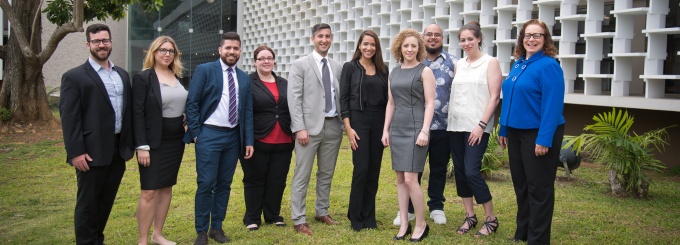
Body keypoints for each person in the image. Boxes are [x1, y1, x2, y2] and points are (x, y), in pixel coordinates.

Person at [59, 23, 134, 245]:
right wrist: (76, 152)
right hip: (90, 152)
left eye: (105, 40)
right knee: (87, 203)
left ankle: (96, 239)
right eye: (96, 41)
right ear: (88, 44)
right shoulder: (74, 77)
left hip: (118, 150)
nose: (102, 45)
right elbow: (70, 118)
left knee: (105, 201)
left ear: (111, 42)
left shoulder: (122, 74)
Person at [498, 19, 565, 244]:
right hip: (516, 133)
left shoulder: (549, 65)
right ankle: (523, 232)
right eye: (527, 35)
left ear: (545, 40)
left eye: (537, 35)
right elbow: (508, 99)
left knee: (539, 187)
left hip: (539, 133)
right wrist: (504, 128)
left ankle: (538, 239)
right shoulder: (518, 64)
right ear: (522, 39)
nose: (531, 39)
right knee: (522, 184)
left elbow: (553, 106)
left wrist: (544, 139)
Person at [183, 32, 254, 245]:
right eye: (228, 48)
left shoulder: (244, 77)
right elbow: (192, 103)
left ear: (240, 51)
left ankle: (217, 228)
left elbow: (247, 111)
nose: (232, 52)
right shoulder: (205, 70)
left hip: (234, 136)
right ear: (220, 50)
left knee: (224, 184)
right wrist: (196, 134)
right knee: (206, 183)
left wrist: (248, 140)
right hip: (209, 134)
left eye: (236, 48)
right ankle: (201, 231)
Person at [394, 23, 458, 227]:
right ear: (423, 38)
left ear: (442, 37)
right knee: (412, 171)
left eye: (437, 35)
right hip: (415, 127)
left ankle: (436, 206)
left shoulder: (453, 63)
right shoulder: (413, 62)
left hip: (442, 126)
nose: (433, 38)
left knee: (438, 169)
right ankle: (410, 210)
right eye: (429, 34)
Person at [446, 22, 502, 237]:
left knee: (472, 171)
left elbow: (494, 96)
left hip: (476, 127)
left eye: (470, 39)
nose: (466, 43)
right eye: (463, 40)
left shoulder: (491, 62)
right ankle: (470, 215)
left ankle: (491, 218)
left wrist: (481, 126)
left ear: (479, 38)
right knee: (460, 172)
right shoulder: (459, 64)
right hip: (455, 126)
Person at [288, 23, 343, 235]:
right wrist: (299, 128)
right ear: (313, 39)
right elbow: (294, 99)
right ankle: (299, 218)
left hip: (333, 127)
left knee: (326, 173)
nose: (324, 40)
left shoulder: (336, 66)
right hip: (308, 130)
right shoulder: (300, 64)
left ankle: (321, 211)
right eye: (320, 36)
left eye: (328, 36)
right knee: (302, 174)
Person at [382, 29, 435, 242]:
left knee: (412, 179)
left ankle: (421, 224)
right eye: (406, 46)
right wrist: (386, 130)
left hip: (416, 129)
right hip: (397, 129)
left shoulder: (425, 71)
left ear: (419, 48)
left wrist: (425, 130)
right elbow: (391, 103)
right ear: (399, 48)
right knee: (400, 179)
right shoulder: (393, 72)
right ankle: (404, 222)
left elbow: (430, 103)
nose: (410, 49)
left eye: (414, 46)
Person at [132, 36, 187, 245]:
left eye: (171, 51)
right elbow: (137, 113)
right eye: (162, 50)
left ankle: (158, 235)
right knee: (149, 190)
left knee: (166, 188)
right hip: (153, 142)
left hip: (175, 140)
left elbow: (181, 104)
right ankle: (142, 240)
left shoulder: (176, 75)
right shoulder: (143, 78)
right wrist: (142, 146)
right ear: (153, 52)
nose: (167, 54)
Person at [339, 30, 389, 231]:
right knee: (361, 169)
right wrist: (348, 128)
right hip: (358, 121)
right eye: (365, 44)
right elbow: (343, 99)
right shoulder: (350, 68)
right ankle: (355, 215)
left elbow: (389, 101)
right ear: (359, 45)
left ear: (377, 48)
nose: (369, 48)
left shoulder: (383, 69)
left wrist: (387, 128)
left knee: (374, 171)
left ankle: (369, 216)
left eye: (373, 45)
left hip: (378, 121)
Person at [241, 45, 294, 231]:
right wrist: (247, 139)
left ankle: (273, 215)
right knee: (255, 179)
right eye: (261, 58)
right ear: (255, 62)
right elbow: (244, 113)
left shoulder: (283, 82)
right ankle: (252, 217)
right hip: (258, 140)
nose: (266, 61)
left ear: (274, 60)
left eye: (269, 58)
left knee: (277, 180)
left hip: (284, 139)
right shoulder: (247, 82)